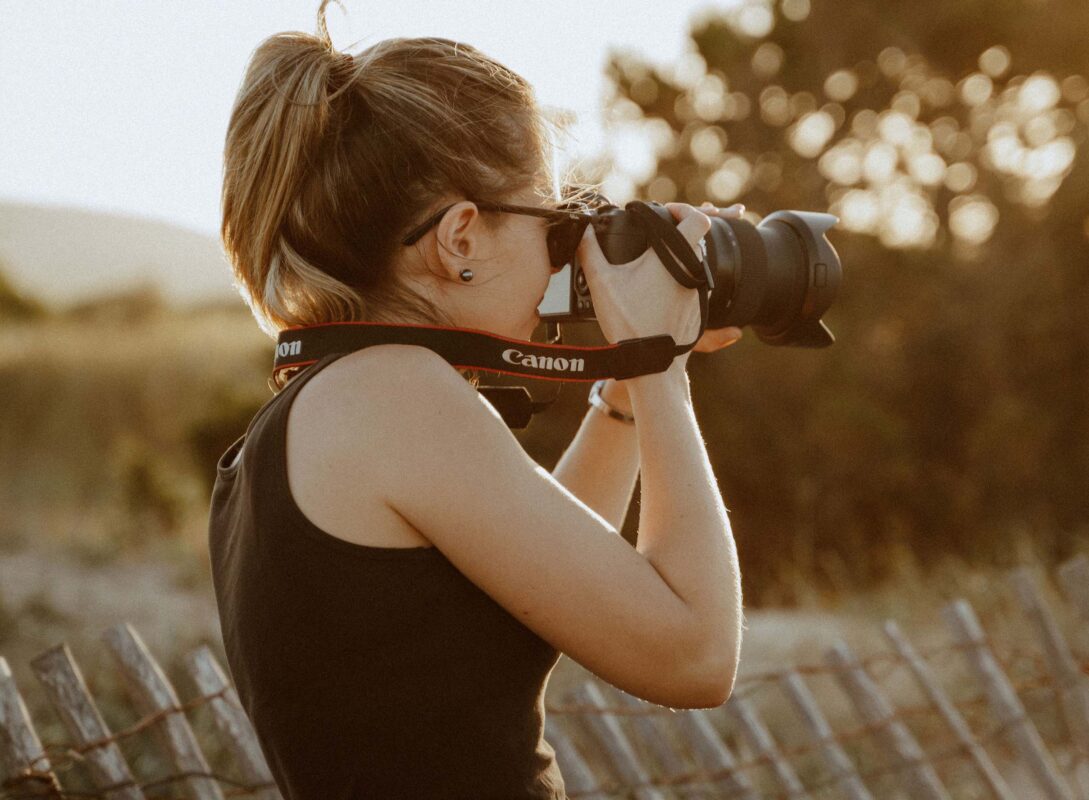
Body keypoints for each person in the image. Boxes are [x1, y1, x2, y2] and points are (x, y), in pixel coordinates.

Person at [208, 3, 745, 798]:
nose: (565, 254)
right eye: (554, 222)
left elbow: (547, 574)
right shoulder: (391, 395)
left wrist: (630, 384)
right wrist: (658, 363)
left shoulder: (326, 409)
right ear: (460, 239)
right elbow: (694, 656)